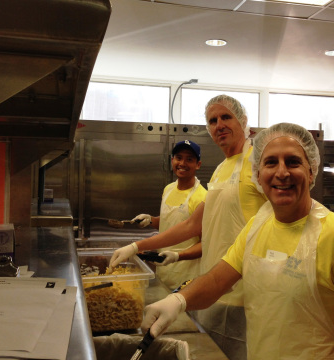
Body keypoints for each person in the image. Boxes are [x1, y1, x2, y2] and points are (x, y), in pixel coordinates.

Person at [141, 123, 334, 360]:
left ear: (311, 170)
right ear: (258, 176)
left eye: (293, 162)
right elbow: (217, 280)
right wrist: (178, 301)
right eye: (271, 162)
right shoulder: (257, 226)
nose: (282, 172)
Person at [109, 95, 267, 359]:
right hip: (213, 288)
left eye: (226, 117)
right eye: (212, 120)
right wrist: (137, 246)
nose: (219, 125)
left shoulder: (258, 163)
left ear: (242, 120)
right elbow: (193, 224)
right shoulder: (220, 170)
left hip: (246, 292)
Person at [130, 140, 207, 290]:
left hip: (187, 277)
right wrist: (151, 221)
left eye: (189, 159)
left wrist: (178, 256)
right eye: (178, 157)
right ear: (172, 160)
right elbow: (171, 223)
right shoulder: (169, 189)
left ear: (198, 164)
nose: (182, 163)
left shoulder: (202, 198)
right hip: (163, 270)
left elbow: (206, 244)